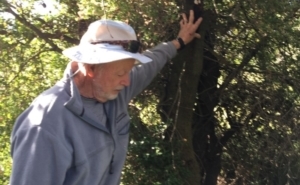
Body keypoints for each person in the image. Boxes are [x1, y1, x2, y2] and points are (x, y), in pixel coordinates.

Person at [10, 10, 202, 185]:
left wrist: (180, 41)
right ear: (91, 68)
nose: (128, 81)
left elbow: (152, 62)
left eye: (129, 71)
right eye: (120, 74)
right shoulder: (45, 126)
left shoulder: (111, 90)